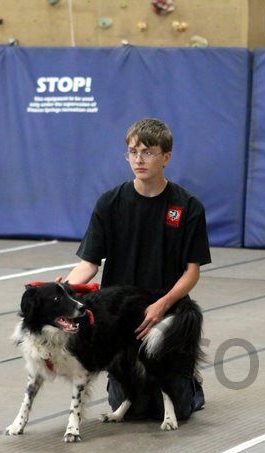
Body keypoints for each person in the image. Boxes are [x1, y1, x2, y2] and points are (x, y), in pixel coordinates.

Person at [64, 118, 210, 422]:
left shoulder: (187, 206)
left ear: (166, 157)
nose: (139, 160)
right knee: (135, 410)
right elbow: (90, 263)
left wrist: (163, 305)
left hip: (165, 312)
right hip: (122, 318)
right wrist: (64, 293)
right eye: (133, 152)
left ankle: (188, 381)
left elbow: (192, 271)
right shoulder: (109, 203)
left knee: (176, 412)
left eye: (148, 152)